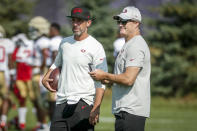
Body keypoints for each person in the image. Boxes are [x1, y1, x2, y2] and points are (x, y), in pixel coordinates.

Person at [42, 6, 108, 131]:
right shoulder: (64, 43)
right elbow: (57, 63)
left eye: (80, 21)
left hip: (83, 103)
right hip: (61, 101)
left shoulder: (96, 46)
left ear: (88, 23)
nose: (76, 24)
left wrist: (96, 107)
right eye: (73, 20)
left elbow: (101, 80)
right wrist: (47, 75)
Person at [89, 6, 151, 131]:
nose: (120, 25)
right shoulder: (128, 44)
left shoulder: (136, 45)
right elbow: (125, 77)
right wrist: (110, 80)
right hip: (125, 111)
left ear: (136, 23)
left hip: (131, 111)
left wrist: (105, 76)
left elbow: (128, 79)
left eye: (124, 21)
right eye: (119, 21)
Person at [28, 16, 51, 131]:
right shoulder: (38, 41)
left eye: (34, 29)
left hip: (40, 74)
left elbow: (46, 56)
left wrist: (42, 70)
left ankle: (44, 125)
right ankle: (42, 124)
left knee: (42, 101)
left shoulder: (43, 41)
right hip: (36, 73)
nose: (31, 32)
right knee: (36, 100)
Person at [11, 33, 34, 130]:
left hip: (30, 76)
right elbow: (12, 60)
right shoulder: (16, 48)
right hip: (20, 77)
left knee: (35, 100)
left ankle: (43, 123)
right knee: (22, 99)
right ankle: (22, 123)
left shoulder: (33, 45)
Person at [0, 24, 15, 131]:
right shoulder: (7, 43)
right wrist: (12, 74)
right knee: (6, 98)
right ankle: (3, 121)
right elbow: (10, 61)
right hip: (3, 73)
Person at [47, 22, 62, 122]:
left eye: (50, 30)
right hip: (61, 71)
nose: (49, 32)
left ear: (55, 30)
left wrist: (51, 72)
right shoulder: (62, 39)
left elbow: (55, 56)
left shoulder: (54, 41)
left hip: (55, 72)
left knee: (53, 100)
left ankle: (53, 123)